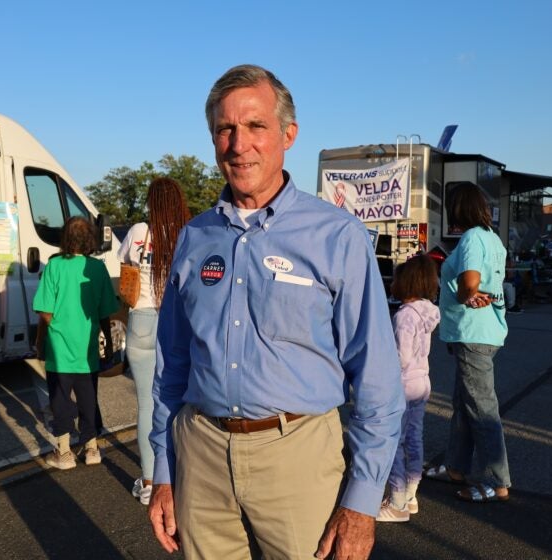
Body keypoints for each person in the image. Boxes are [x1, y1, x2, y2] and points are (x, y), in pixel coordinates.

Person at [148, 64, 404, 560]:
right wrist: (162, 469)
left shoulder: (337, 237)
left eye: (255, 126)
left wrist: (363, 502)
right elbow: (171, 365)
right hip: (200, 453)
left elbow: (376, 377)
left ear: (288, 134)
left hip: (299, 455)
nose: (239, 144)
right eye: (225, 129)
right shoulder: (194, 238)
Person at [425, 181, 511, 503]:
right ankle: (456, 466)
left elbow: (471, 280)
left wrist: (466, 295)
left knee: (480, 407)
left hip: (473, 333)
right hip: (483, 332)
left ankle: (495, 481)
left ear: (458, 209)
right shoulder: (492, 238)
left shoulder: (473, 237)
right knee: (464, 404)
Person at [118, 177, 191, 505]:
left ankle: (149, 482)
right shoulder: (188, 232)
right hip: (176, 321)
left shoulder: (138, 232)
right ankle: (181, 476)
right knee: (181, 401)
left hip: (142, 320)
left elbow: (124, 269)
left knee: (147, 404)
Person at [33, 217, 119, 469]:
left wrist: (43, 341)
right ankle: (91, 449)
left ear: (65, 238)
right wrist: (109, 345)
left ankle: (64, 452)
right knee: (87, 397)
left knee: (59, 398)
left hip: (60, 346)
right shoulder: (97, 268)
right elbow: (105, 313)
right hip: (88, 346)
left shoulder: (54, 266)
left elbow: (44, 311)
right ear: (90, 239)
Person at [377, 255, 440, 523]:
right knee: (414, 439)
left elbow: (399, 357)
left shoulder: (404, 316)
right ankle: (411, 495)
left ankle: (397, 502)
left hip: (401, 385)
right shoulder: (428, 311)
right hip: (422, 381)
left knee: (394, 442)